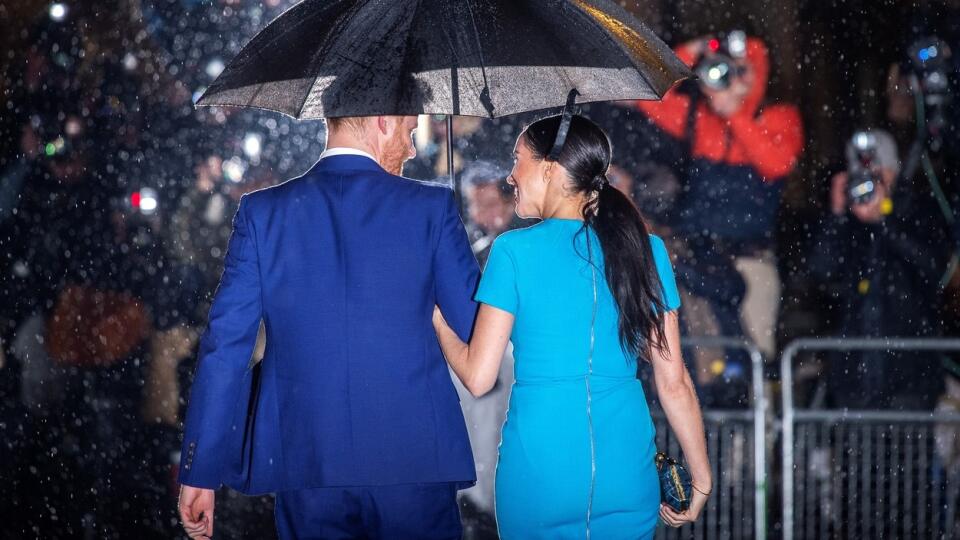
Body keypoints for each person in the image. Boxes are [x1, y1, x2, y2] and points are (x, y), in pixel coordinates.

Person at [177, 115, 480, 539]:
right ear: (384, 122)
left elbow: (225, 347)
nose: (412, 149)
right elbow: (474, 327)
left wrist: (200, 470)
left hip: (306, 460)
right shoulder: (430, 207)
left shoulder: (263, 212)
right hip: (413, 459)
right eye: (410, 132)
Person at [432, 115, 712, 538]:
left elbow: (477, 375)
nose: (510, 176)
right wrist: (701, 478)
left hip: (539, 474)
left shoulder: (512, 251)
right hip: (625, 470)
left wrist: (435, 313)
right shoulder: (646, 249)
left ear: (549, 169)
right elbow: (673, 384)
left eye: (517, 159)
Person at [635, 33, 804, 397]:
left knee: (753, 363)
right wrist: (690, 52)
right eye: (723, 68)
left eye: (741, 70)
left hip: (749, 262)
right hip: (696, 261)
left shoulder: (779, 116)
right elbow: (646, 96)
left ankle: (756, 444)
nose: (730, 77)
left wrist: (736, 114)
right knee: (699, 364)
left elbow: (777, 164)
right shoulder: (701, 119)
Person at [810, 129, 950, 409]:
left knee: (910, 452)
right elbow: (819, 271)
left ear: (893, 172)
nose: (868, 185)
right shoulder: (849, 224)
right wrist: (837, 214)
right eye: (861, 176)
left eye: (877, 174)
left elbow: (934, 268)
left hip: (911, 376)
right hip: (854, 378)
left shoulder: (919, 210)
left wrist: (885, 222)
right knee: (854, 449)